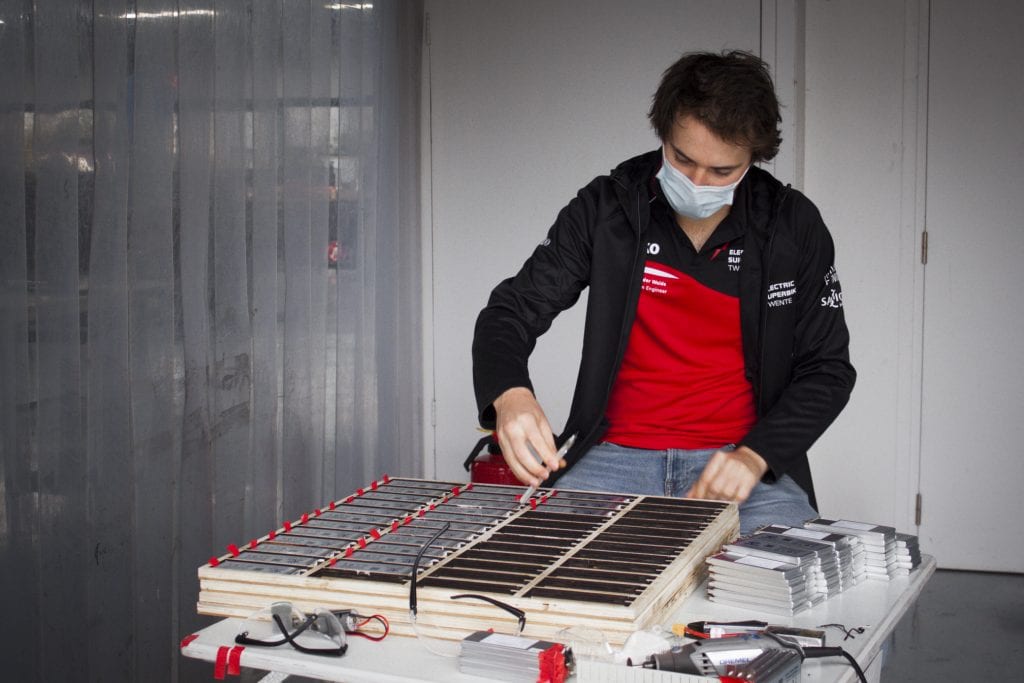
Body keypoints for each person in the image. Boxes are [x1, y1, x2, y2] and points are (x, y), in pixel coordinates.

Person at [472, 50, 855, 535]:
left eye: (721, 172)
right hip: (610, 465)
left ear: (753, 158)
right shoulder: (606, 207)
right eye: (682, 159)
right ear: (662, 136)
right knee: (549, 584)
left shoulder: (792, 226)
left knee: (791, 598)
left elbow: (829, 369)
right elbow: (510, 312)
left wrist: (755, 456)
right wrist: (509, 396)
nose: (697, 183)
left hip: (741, 474)